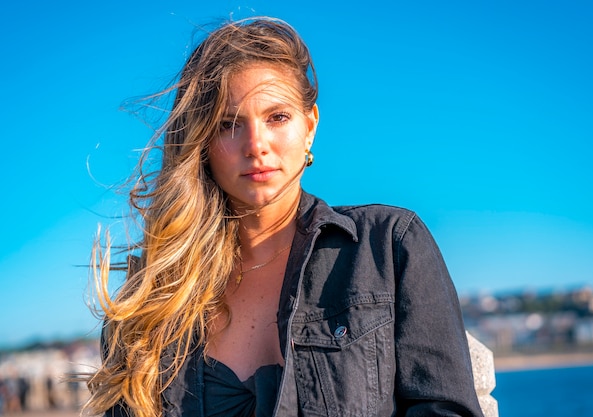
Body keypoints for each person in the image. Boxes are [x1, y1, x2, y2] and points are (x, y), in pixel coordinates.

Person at [85, 17, 484, 417]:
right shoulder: (151, 305)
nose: (256, 145)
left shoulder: (388, 247)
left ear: (309, 127)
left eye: (277, 117)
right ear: (201, 141)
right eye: (229, 124)